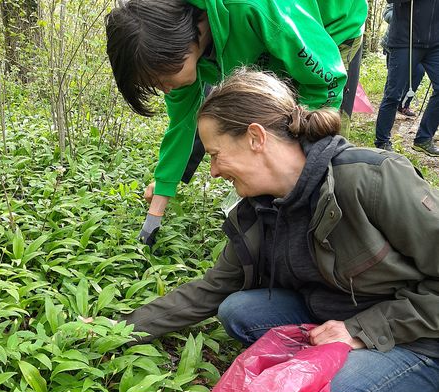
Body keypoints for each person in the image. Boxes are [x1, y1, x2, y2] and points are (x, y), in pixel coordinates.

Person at [122, 68, 439, 392]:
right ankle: (333, 373)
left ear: (256, 137)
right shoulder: (257, 211)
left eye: (217, 155)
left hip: (416, 337)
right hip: (330, 315)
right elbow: (210, 289)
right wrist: (120, 330)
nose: (215, 170)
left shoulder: (370, 178)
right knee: (236, 310)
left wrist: (361, 330)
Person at [105, 0, 368, 245]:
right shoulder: (181, 57)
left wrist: (308, 148)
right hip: (271, 43)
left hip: (329, 28)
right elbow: (182, 124)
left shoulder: (250, 9)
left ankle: (334, 233)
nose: (164, 90)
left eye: (161, 79)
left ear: (181, 41)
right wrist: (156, 210)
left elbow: (326, 77)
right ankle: (271, 228)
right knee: (267, 135)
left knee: (316, 149)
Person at [375, 0, 439, 155]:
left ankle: (423, 139)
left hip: (435, 44)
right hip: (405, 41)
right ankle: (382, 142)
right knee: (394, 94)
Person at [381, 2, 425, 118]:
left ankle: (404, 104)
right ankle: (389, 109)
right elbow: (387, 13)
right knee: (394, 80)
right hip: (396, 43)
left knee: (419, 72)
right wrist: (403, 21)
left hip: (419, 45)